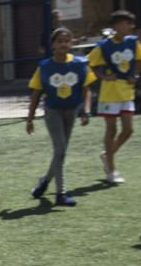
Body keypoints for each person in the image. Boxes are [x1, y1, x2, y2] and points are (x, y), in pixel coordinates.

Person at [25, 27, 95, 206]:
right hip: (53, 111)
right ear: (53, 45)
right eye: (59, 41)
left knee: (60, 153)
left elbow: (87, 89)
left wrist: (85, 111)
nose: (63, 44)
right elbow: (36, 94)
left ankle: (45, 181)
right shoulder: (45, 67)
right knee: (61, 150)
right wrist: (30, 118)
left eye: (67, 40)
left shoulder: (80, 64)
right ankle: (61, 194)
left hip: (71, 110)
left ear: (71, 43)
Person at [87, 9, 141, 185]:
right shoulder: (104, 46)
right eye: (126, 23)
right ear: (116, 26)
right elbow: (89, 63)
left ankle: (107, 155)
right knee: (111, 129)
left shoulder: (133, 43)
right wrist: (104, 77)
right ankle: (111, 170)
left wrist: (135, 74)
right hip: (109, 93)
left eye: (131, 23)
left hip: (127, 92)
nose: (130, 26)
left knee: (128, 130)